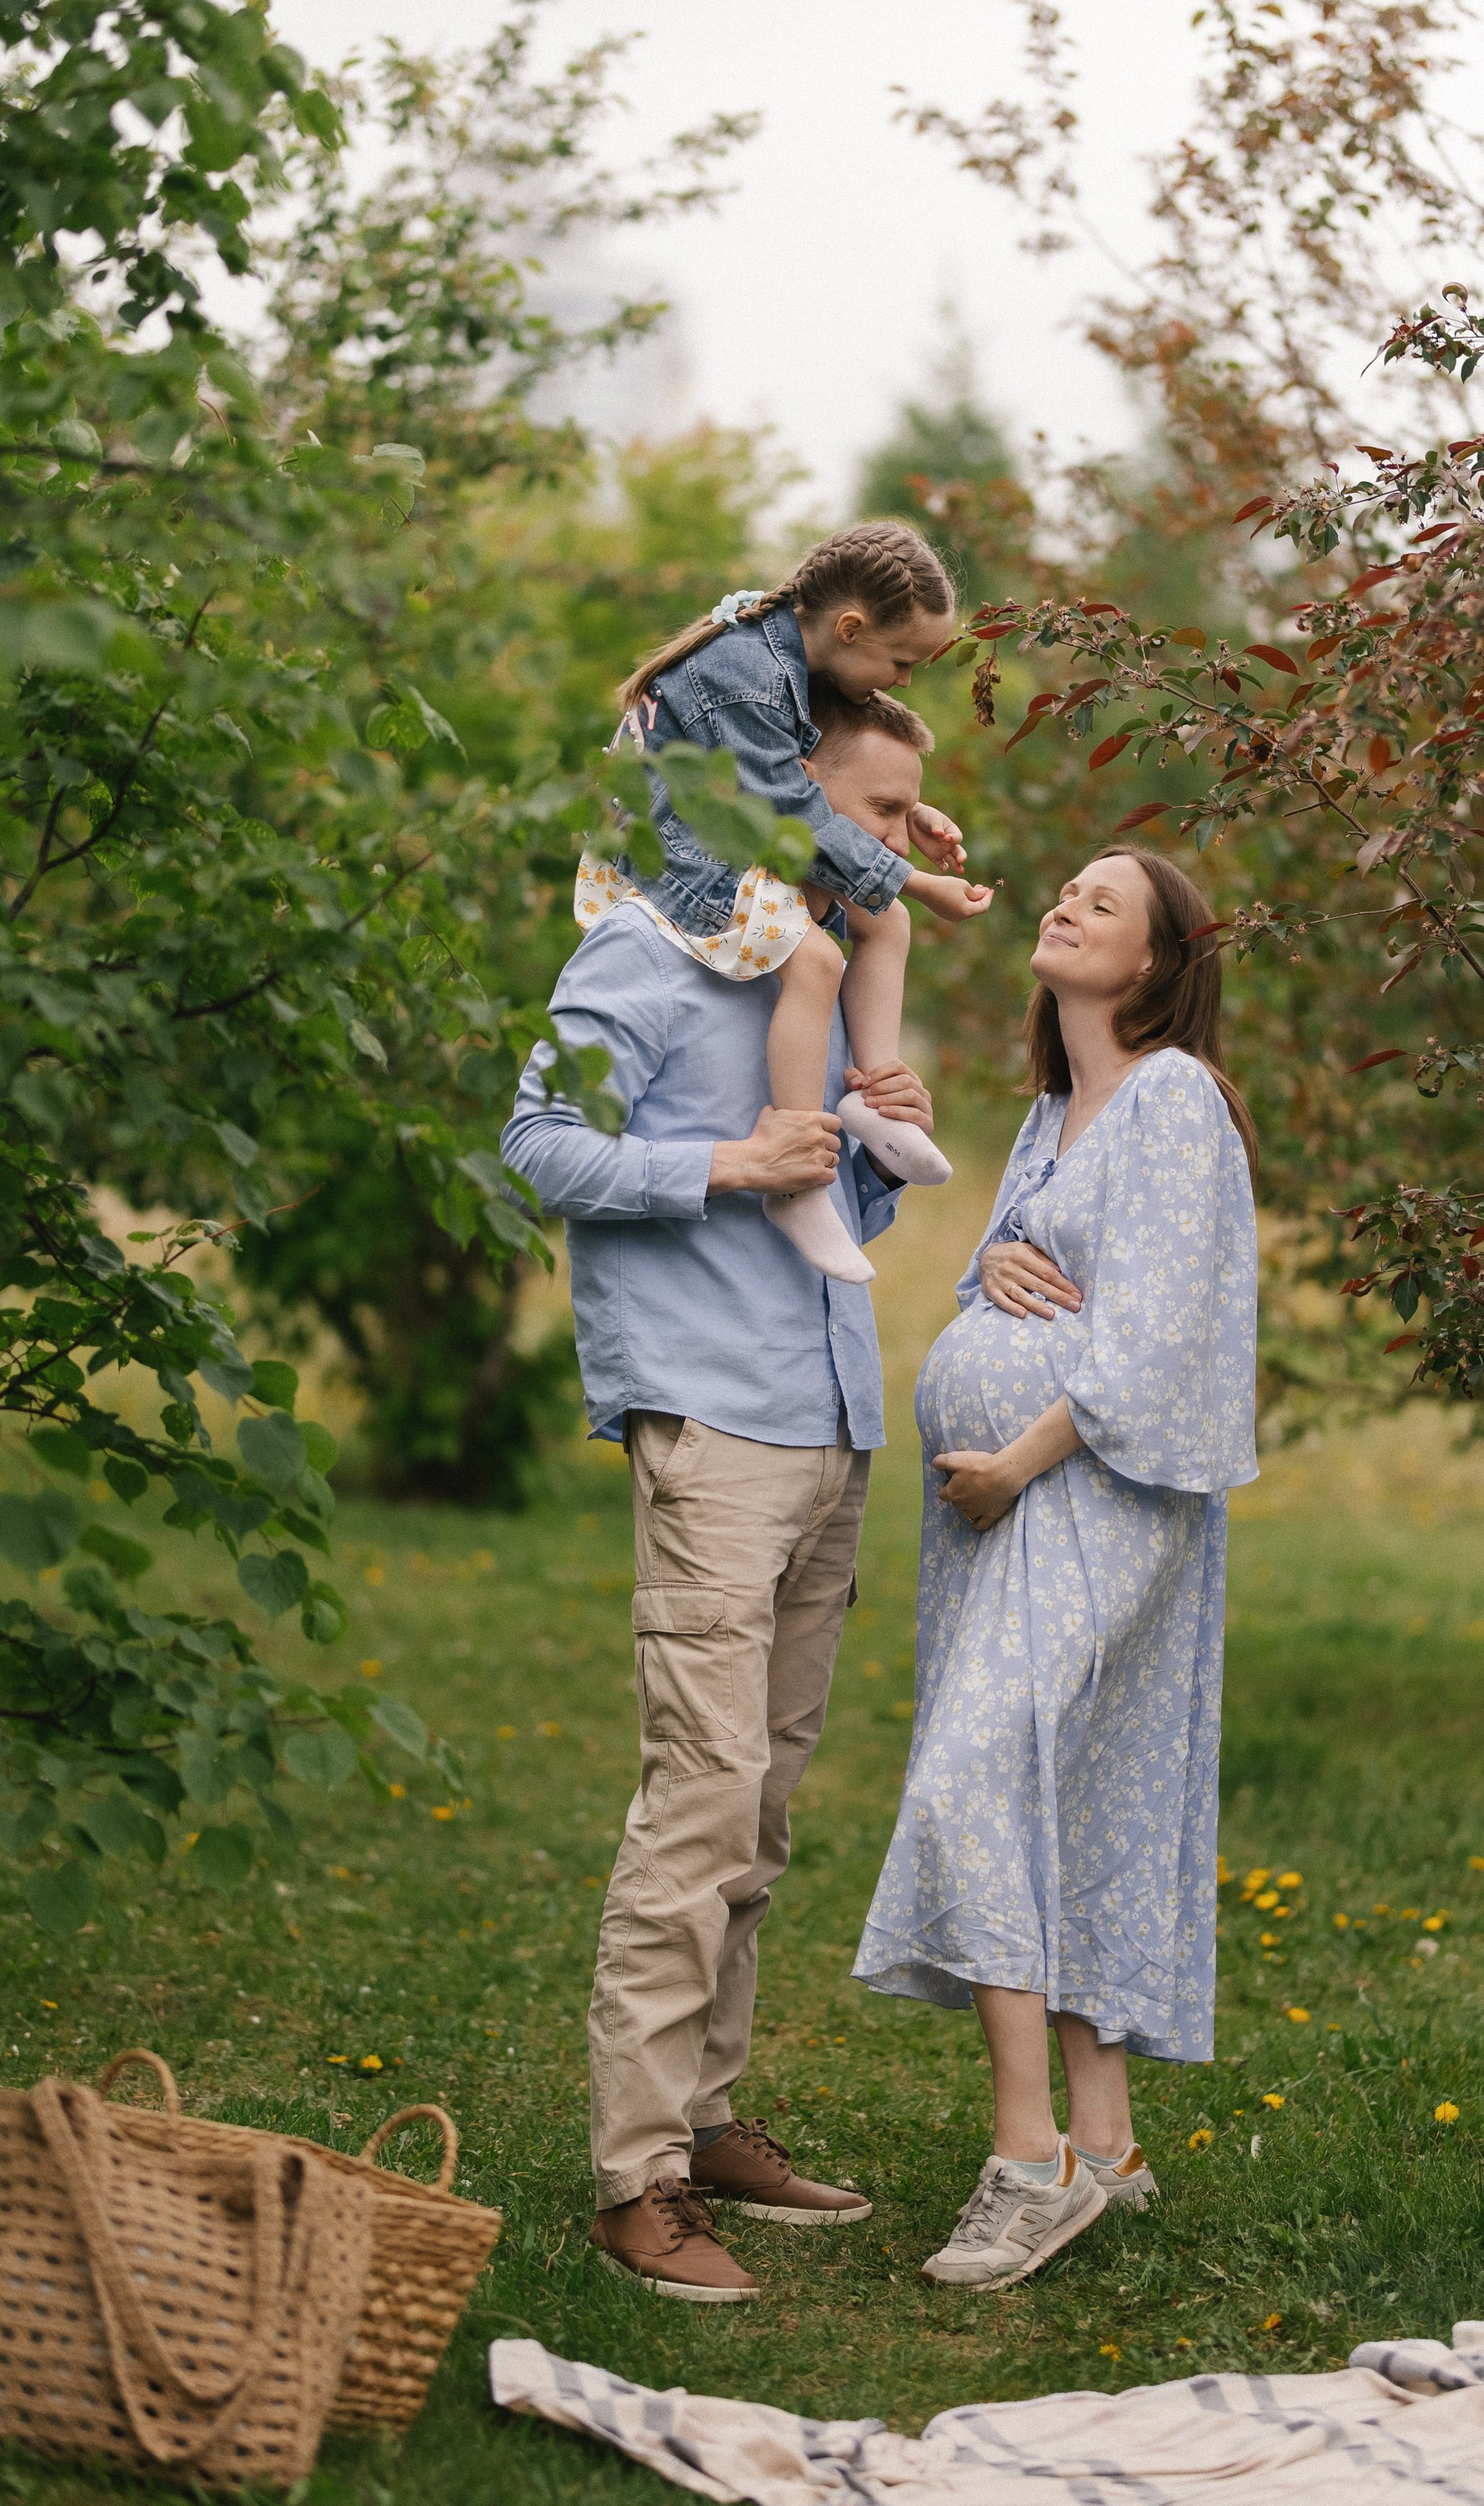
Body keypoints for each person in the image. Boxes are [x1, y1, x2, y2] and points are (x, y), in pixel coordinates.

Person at [501, 686, 950, 2306]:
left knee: (758, 1807)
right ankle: (633, 2182)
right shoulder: (645, 949)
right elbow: (534, 1142)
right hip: (714, 1425)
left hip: (828, 1419)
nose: (897, 849)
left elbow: (824, 1224)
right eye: (880, 813)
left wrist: (863, 1146)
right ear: (794, 794)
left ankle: (703, 2121)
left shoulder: (820, 980)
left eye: (909, 820)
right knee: (696, 1800)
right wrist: (713, 1166)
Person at [853, 845, 1259, 2291]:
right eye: (1067, 891)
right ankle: (1107, 2141)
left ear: (1152, 964)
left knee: (974, 1774)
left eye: (1104, 901)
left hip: (1092, 1492)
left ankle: (1028, 2164)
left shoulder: (1171, 1101)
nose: (1067, 906)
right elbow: (1024, 1280)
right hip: (1006, 1512)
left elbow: (1159, 1335)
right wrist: (991, 1276)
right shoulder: (1053, 1113)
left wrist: (1016, 1459)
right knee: (1066, 1790)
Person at [584, 519, 992, 1284]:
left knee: (884, 917)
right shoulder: (743, 669)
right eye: (903, 661)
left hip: (723, 831)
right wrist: (919, 878)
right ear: (850, 627)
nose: (905, 681)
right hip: (669, 855)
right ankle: (800, 1176)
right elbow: (794, 812)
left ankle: (871, 1094)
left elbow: (821, 778)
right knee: (813, 955)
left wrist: (906, 818)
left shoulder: (786, 657)